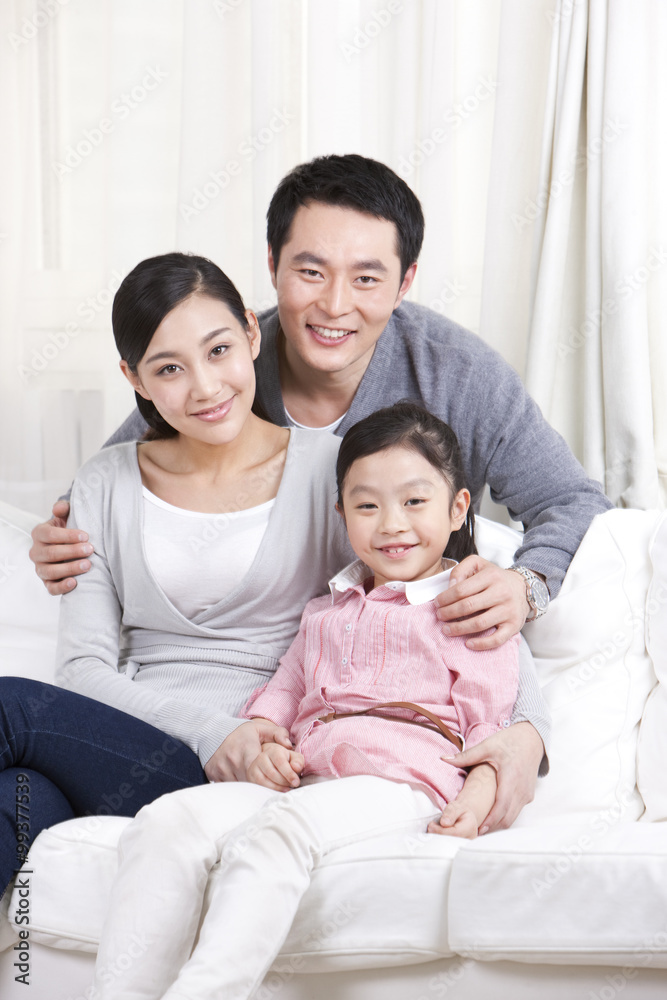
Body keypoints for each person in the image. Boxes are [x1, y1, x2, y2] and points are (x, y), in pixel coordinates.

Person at [28, 153, 606, 826]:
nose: (333, 305)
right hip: (190, 720)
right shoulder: (216, 367)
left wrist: (524, 600)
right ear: (271, 266)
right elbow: (120, 485)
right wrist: (63, 535)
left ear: (404, 281)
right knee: (21, 796)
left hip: (295, 741)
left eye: (366, 278)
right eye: (309, 271)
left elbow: (538, 519)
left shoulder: (457, 375)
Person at [90, 402, 523, 1000]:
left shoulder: (466, 608)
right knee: (170, 819)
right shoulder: (326, 611)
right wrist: (264, 737)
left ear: (457, 509)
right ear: (341, 513)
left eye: (415, 502)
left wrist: (474, 799)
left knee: (278, 832)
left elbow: (494, 719)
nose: (392, 523)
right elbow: (285, 690)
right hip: (309, 775)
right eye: (367, 505)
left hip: (403, 782)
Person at [0, 251, 356, 898]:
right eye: (169, 368)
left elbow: (416, 597)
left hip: (250, 762)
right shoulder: (105, 480)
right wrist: (208, 731)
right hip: (132, 749)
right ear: (134, 379)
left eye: (218, 350)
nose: (204, 387)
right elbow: (82, 671)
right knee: (18, 797)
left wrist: (522, 730)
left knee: (8, 708)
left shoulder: (330, 473)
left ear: (251, 333)